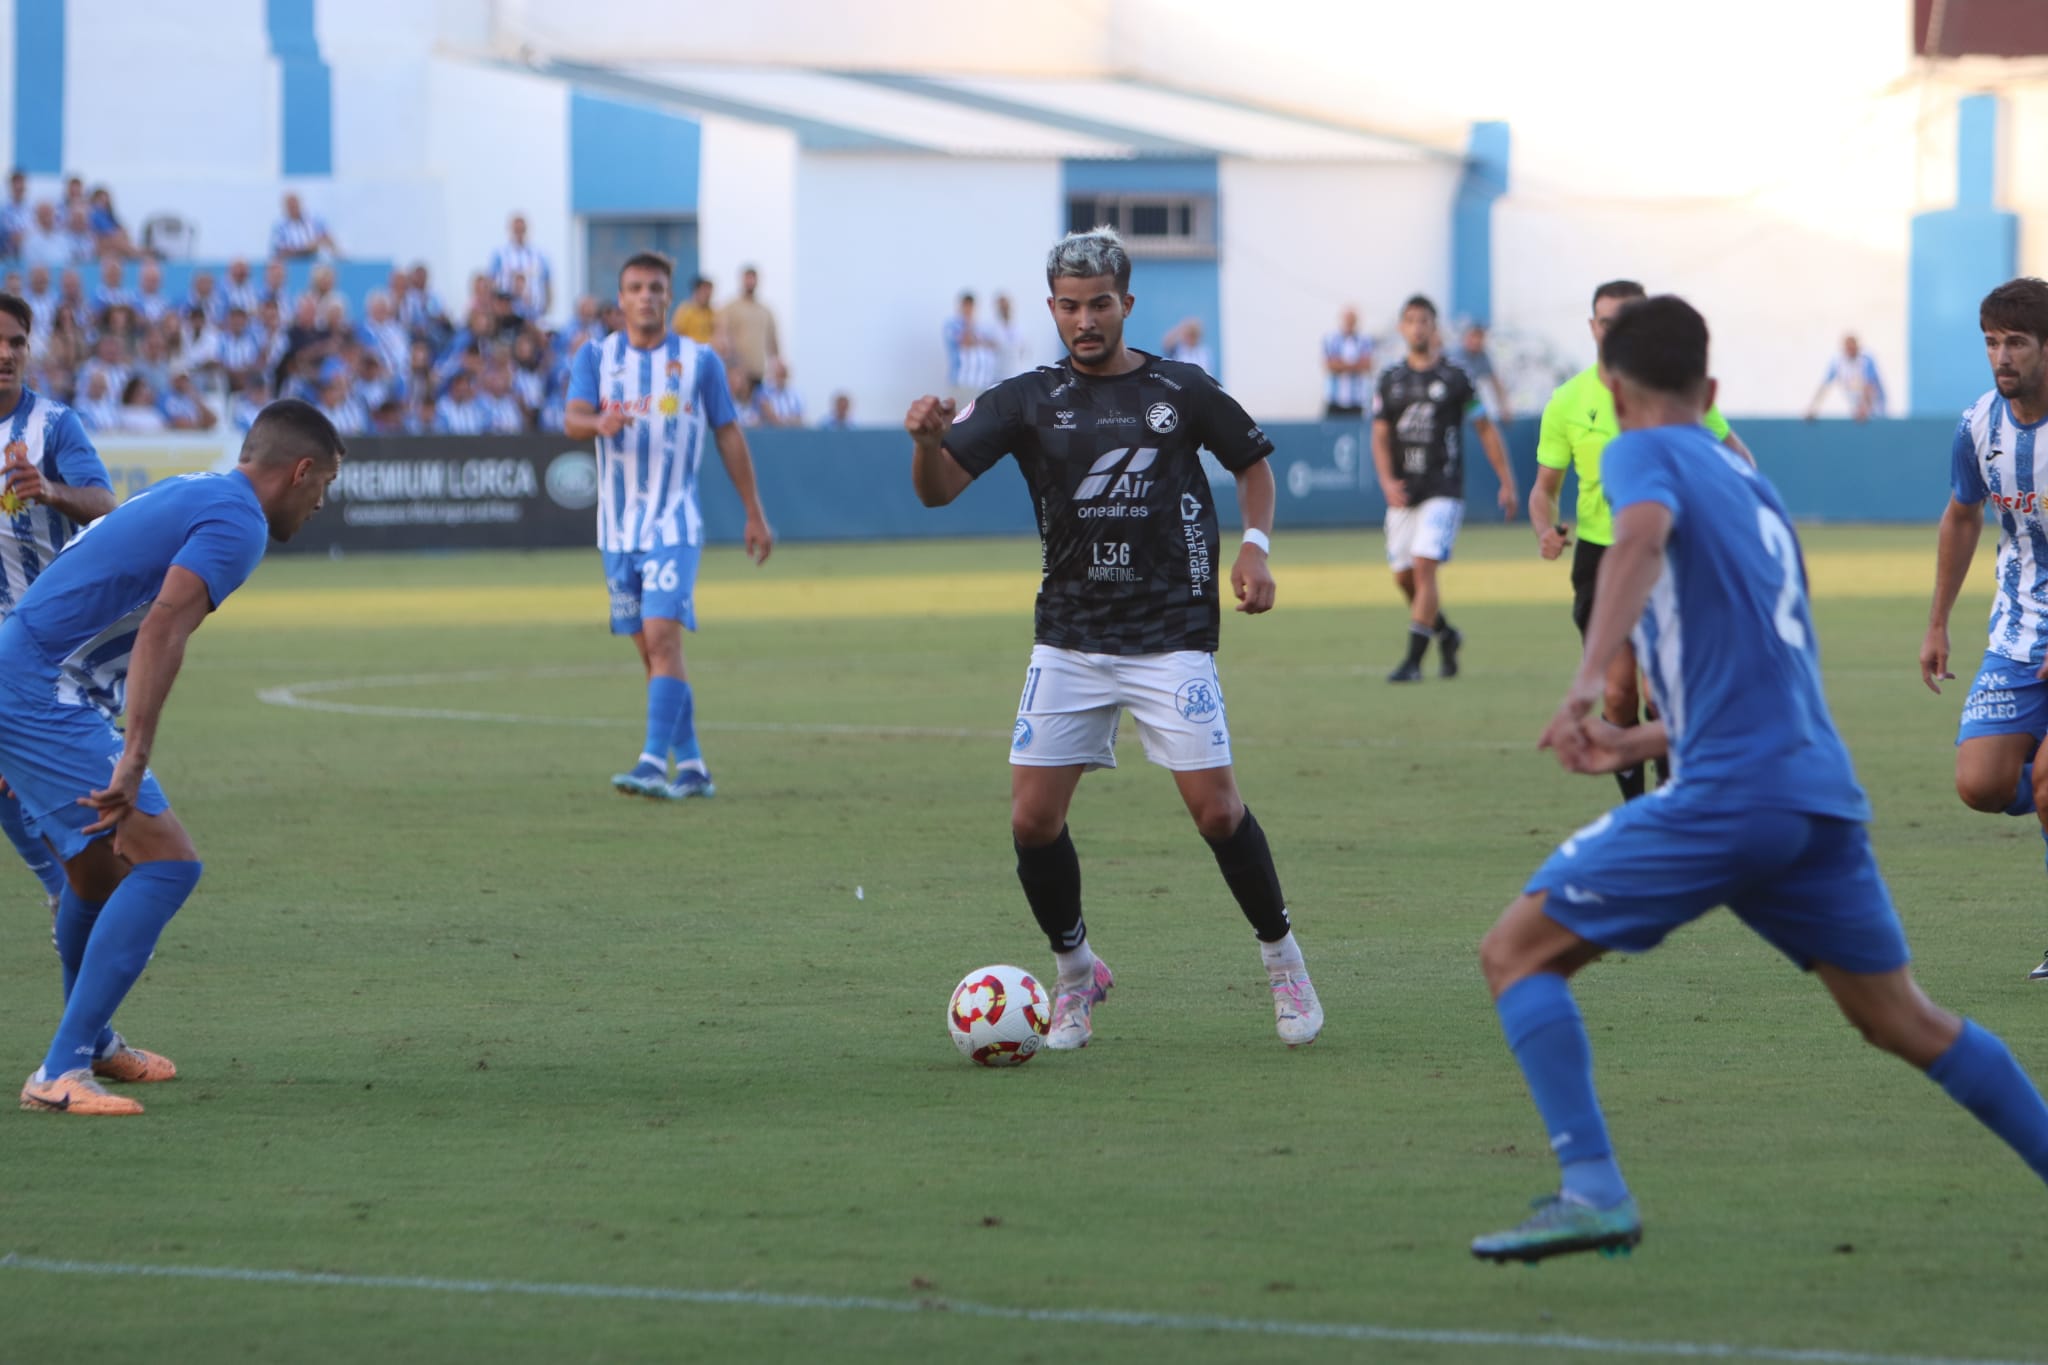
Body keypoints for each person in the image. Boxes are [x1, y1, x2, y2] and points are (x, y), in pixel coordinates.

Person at [1472, 293, 2048, 1261]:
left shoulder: (1637, 453)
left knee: (1513, 957)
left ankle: (1592, 1188)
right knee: (1902, 1021)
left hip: (1731, 798)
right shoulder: (1754, 488)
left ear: (1611, 390)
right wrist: (1645, 739)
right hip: (1811, 794)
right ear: (1710, 390)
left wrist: (1584, 685)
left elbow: (1640, 536)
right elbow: (1765, 662)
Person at [903, 226, 1323, 1050]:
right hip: (1070, 635)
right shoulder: (1027, 398)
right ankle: (1075, 974)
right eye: (1069, 306)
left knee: (1216, 811)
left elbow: (1253, 464)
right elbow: (938, 492)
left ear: (1127, 303)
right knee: (1031, 821)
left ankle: (1283, 960)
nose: (1084, 319)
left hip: (1171, 633)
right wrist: (924, 445)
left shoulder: (1182, 388)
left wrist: (1256, 546)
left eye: (1100, 304)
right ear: (1052, 309)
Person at [15, 399, 343, 1116]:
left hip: (32, 675)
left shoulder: (200, 490)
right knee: (168, 862)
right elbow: (166, 621)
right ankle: (61, 1071)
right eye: (322, 489)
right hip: (39, 686)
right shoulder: (240, 520)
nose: (319, 505)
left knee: (96, 871)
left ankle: (93, 1041)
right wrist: (132, 754)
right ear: (301, 470)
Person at [563, 252, 775, 801]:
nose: (646, 297)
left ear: (669, 296)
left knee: (661, 637)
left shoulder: (699, 361)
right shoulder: (595, 356)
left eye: (656, 287)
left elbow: (729, 433)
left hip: (673, 523)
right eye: (635, 287)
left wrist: (753, 511)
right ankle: (696, 766)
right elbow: (572, 419)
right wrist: (597, 421)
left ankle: (653, 763)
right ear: (621, 297)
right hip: (616, 532)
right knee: (654, 654)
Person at [1530, 280, 1752, 801]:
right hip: (1599, 556)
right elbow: (1545, 489)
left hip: (1666, 556)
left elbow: (1739, 460)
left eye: (1628, 318)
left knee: (1661, 691)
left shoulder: (1670, 397)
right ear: (1593, 328)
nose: (1616, 330)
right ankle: (1639, 807)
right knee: (1620, 691)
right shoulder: (1568, 401)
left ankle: (1671, 801)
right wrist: (1545, 529)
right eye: (1607, 321)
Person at [1921, 277, 2048, 979]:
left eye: (2017, 342)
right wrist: (1937, 621)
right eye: (1992, 342)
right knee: (1982, 783)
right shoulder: (1979, 425)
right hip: (2016, 635)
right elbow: (1962, 514)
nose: (2002, 357)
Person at [0, 294, 117, 915]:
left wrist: (47, 489)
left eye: (16, 341)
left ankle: (91, 890)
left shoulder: (53, 426)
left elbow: (105, 506)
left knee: (89, 783)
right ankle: (59, 888)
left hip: (62, 637)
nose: (5, 353)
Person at [1372, 294, 1518, 683]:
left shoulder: (1455, 378)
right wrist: (1386, 480)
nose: (1418, 327)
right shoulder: (1390, 379)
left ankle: (1413, 663)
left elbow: (1484, 427)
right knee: (1404, 577)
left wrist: (1507, 481)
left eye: (1425, 321)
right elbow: (1380, 435)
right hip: (1404, 492)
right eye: (1411, 321)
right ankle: (1447, 635)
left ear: (1435, 329)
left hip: (1443, 488)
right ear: (1402, 329)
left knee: (1424, 567)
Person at [717, 265, 779, 386]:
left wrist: (775, 367)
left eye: (753, 278)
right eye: (747, 278)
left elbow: (773, 343)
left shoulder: (765, 311)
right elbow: (722, 336)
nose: (750, 282)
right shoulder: (730, 308)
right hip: (737, 375)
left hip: (758, 372)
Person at [1806, 333, 1887, 421]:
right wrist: (1812, 407)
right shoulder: (1837, 362)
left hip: (1876, 405)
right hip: (1856, 405)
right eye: (1848, 348)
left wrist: (1864, 407)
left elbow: (1870, 386)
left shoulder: (1866, 360)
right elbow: (1825, 386)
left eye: (1853, 348)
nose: (1851, 351)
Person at [488, 214, 551, 320]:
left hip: (534, 314)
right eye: (516, 229)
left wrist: (547, 307)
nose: (519, 232)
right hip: (507, 315)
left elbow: (547, 283)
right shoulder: (500, 255)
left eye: (522, 229)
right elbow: (491, 281)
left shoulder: (539, 255)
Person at [942, 292, 998, 407]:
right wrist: (968, 322)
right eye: (966, 305)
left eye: (971, 306)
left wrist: (978, 340)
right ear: (961, 306)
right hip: (963, 383)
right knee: (962, 419)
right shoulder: (952, 324)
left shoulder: (979, 326)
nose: (969, 309)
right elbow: (965, 342)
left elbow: (993, 344)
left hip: (982, 384)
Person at [1451, 321, 1512, 422]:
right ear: (1465, 337)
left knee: (1483, 420)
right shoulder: (1453, 354)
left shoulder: (1483, 356)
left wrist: (1504, 406)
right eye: (1473, 336)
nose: (1476, 341)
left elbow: (1496, 383)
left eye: (1480, 337)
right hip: (1452, 402)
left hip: (1470, 400)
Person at [1322, 307, 1373, 418]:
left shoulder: (1365, 340)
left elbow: (1367, 365)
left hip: (1356, 400)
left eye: (1352, 319)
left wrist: (1341, 364)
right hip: (1334, 400)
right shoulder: (1331, 339)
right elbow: (1330, 365)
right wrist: (1355, 364)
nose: (1349, 322)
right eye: (1347, 319)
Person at [669, 275, 716, 345]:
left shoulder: (711, 312)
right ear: (696, 291)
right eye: (705, 290)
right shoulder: (685, 310)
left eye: (709, 290)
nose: (708, 294)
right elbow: (675, 333)